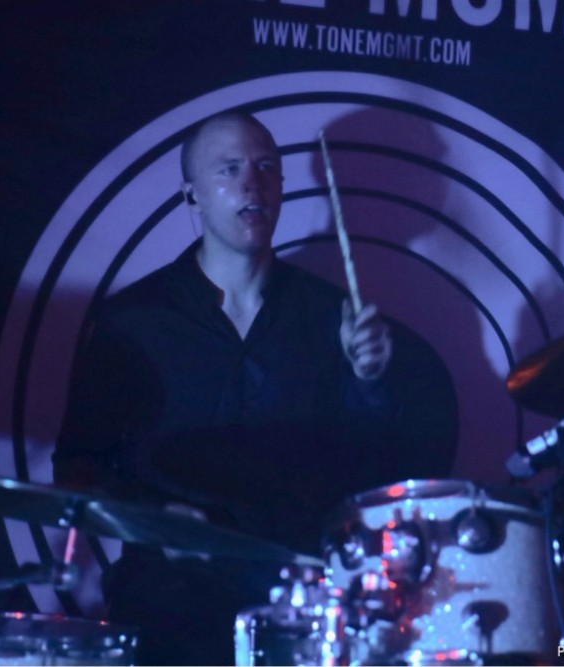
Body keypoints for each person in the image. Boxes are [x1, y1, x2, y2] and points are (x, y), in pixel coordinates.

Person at [53, 111, 457, 665]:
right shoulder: (133, 321)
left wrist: (369, 382)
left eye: (266, 167)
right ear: (191, 195)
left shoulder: (332, 315)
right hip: (168, 605)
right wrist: (154, 519)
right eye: (229, 169)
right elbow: (77, 465)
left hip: (299, 608)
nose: (252, 183)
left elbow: (371, 472)